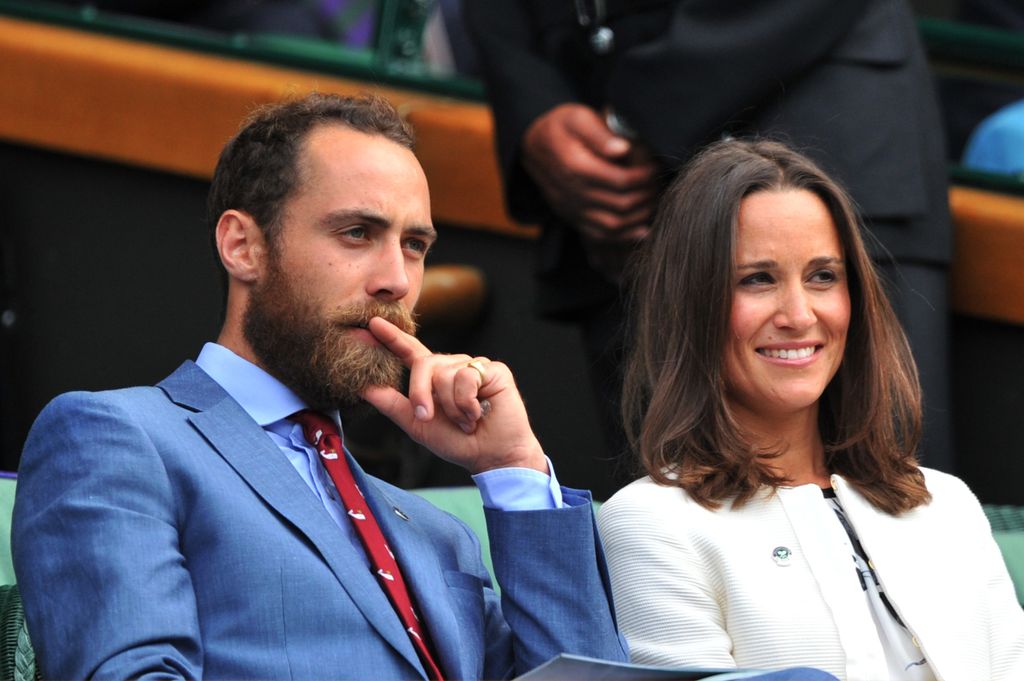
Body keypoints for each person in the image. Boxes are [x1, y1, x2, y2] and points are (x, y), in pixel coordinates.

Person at [10, 93, 628, 680]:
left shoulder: (438, 532)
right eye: (357, 233)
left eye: (415, 245)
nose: (396, 281)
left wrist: (512, 469)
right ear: (242, 245)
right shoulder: (118, 438)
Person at [464, 0, 955, 497]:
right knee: (671, 511)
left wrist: (629, 119)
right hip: (604, 181)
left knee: (888, 505)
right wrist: (535, 105)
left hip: (817, 106)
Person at [597, 140, 1024, 681]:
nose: (799, 315)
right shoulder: (652, 524)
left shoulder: (947, 504)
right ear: (692, 304)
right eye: (757, 279)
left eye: (823, 276)